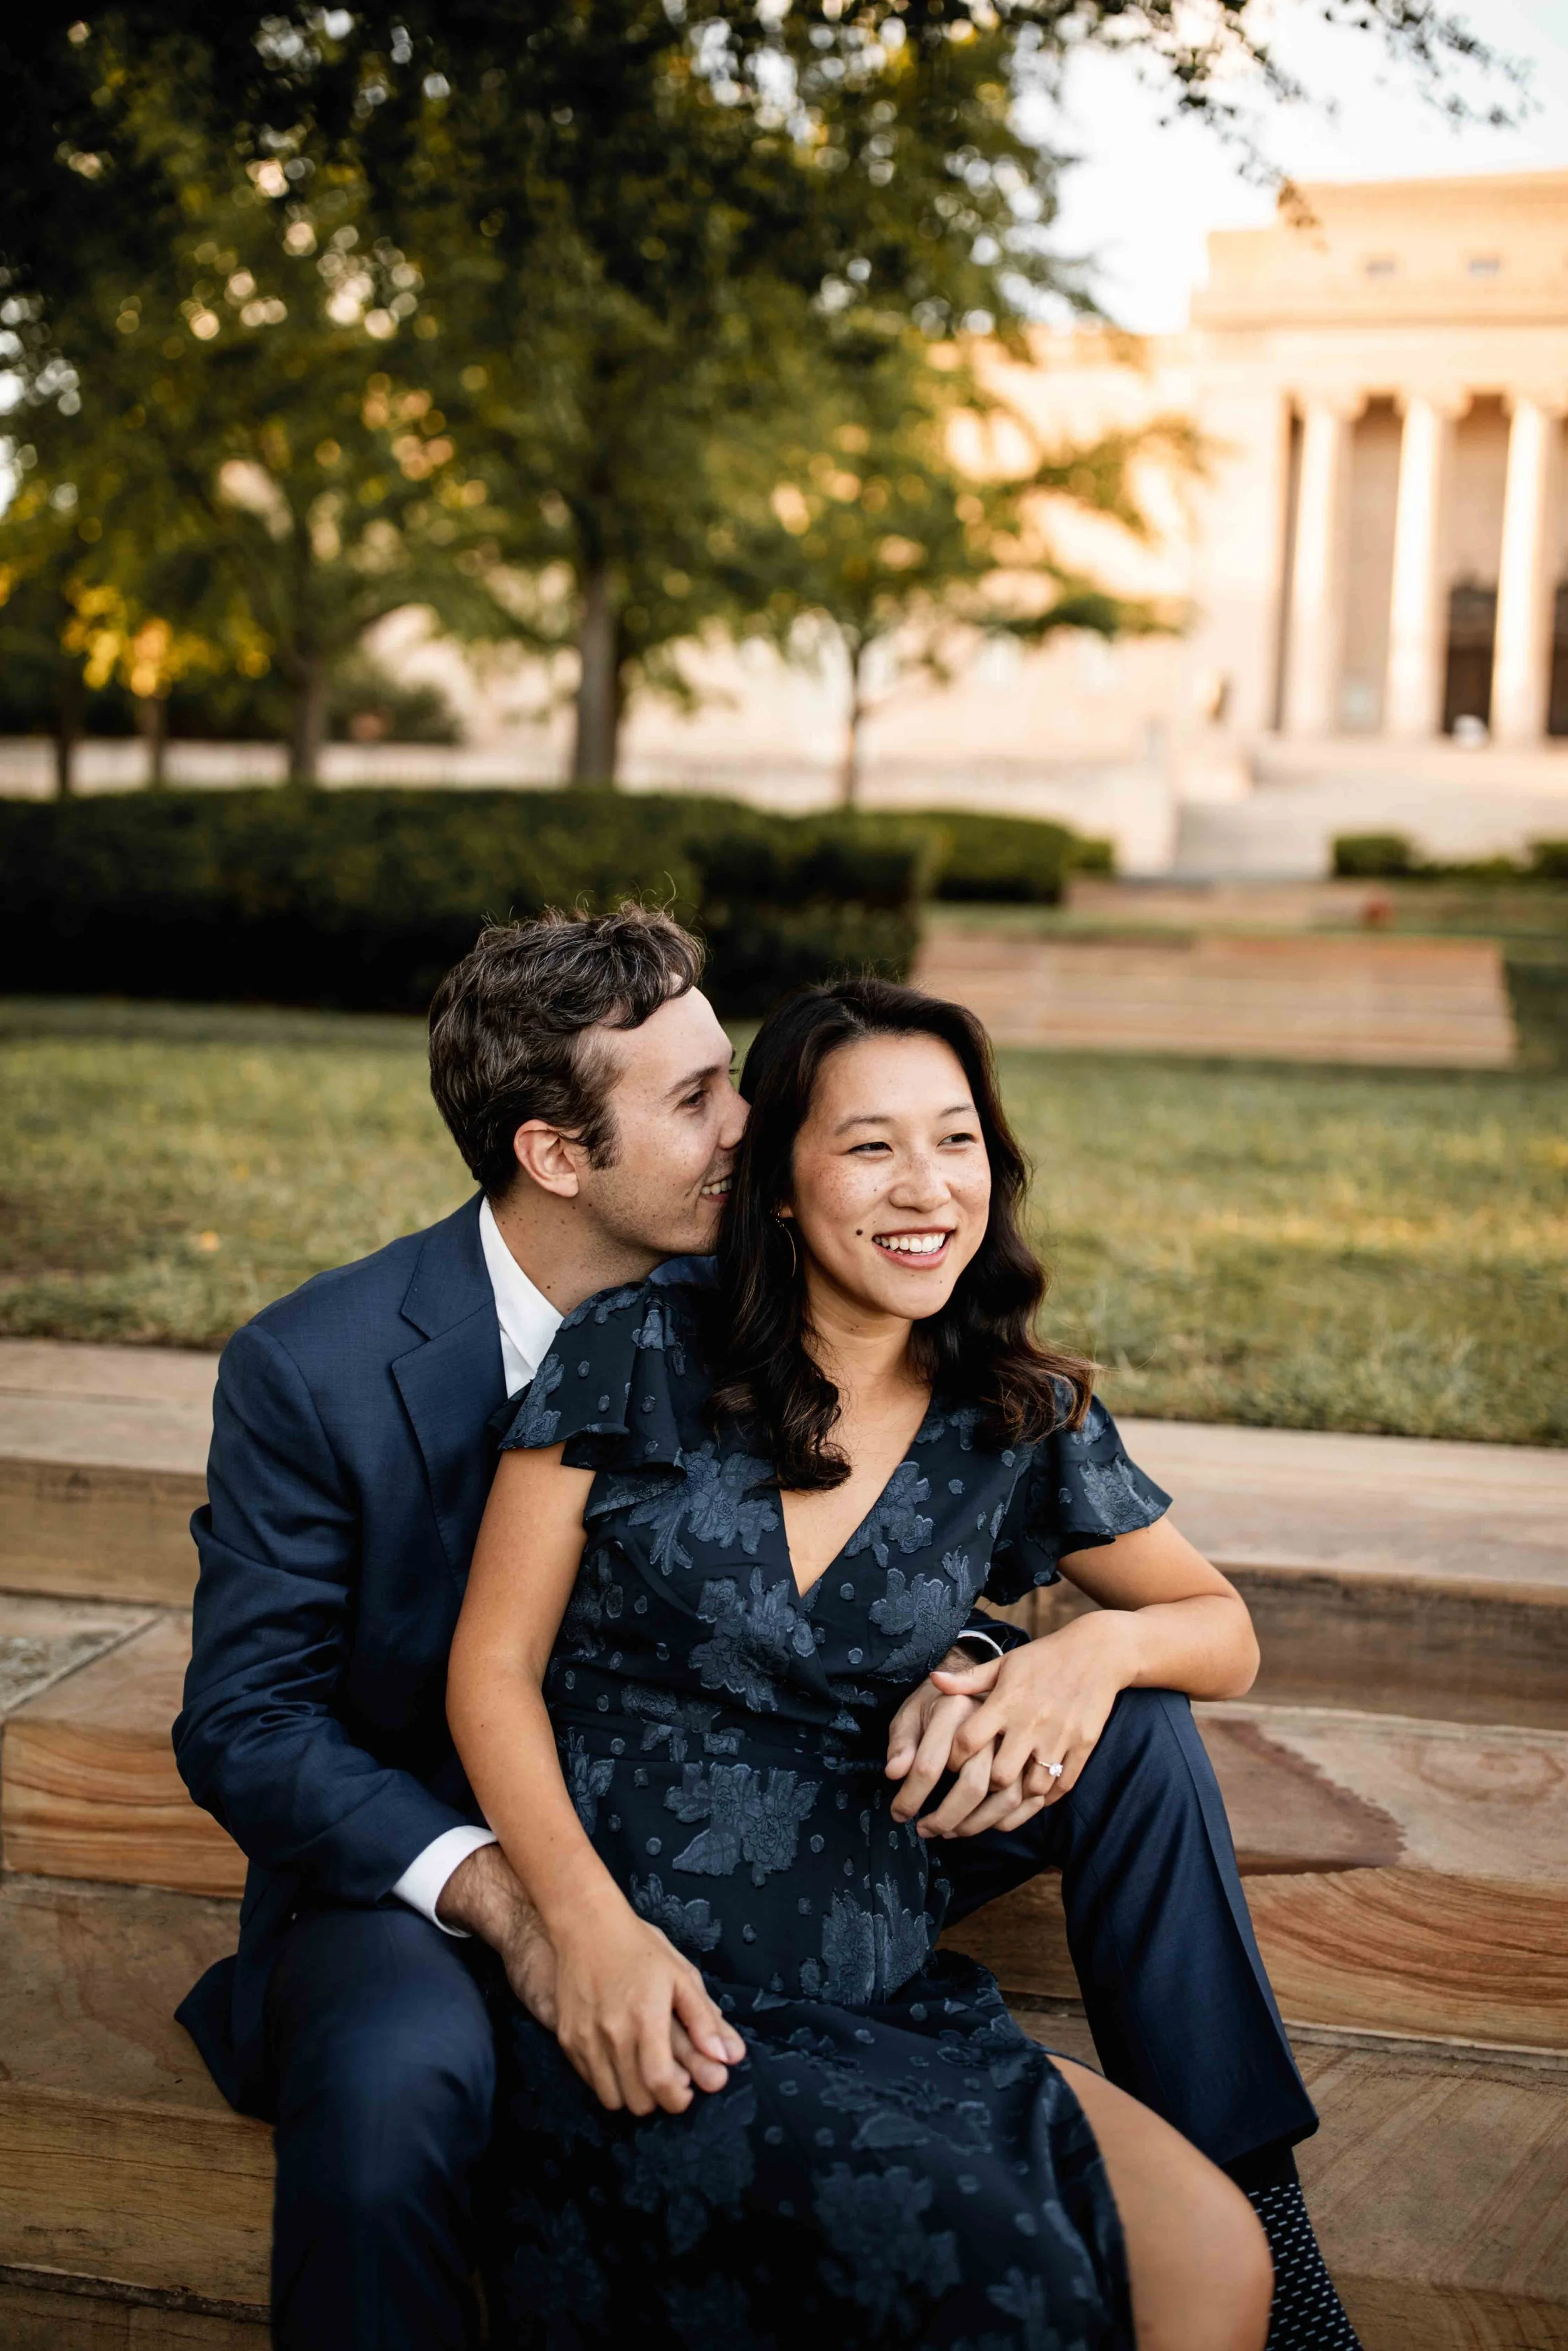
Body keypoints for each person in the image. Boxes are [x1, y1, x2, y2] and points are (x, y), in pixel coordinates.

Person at [173, 908, 1357, 2351]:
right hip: (436, 1857)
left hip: (809, 1827)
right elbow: (254, 1721)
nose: (747, 1122)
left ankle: (1255, 2198)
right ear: (556, 1151)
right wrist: (523, 1901)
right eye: (694, 1100)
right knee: (391, 2093)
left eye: (734, 1077)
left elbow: (828, 1554)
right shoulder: (330, 1364)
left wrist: (1017, 1658)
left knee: (1140, 1732)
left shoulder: (775, 1312)